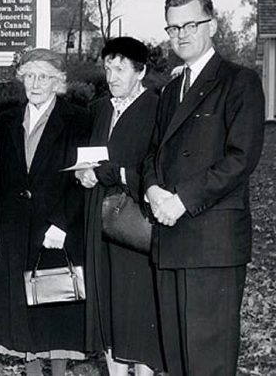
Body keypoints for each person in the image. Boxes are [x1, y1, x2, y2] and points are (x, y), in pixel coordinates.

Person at [143, 0, 265, 375]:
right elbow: (151, 154)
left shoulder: (239, 81)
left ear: (211, 25)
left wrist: (180, 200)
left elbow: (241, 158)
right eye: (173, 27)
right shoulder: (169, 91)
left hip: (212, 242)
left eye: (190, 24)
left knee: (208, 362)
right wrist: (152, 189)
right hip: (170, 238)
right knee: (176, 360)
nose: (181, 34)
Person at [0, 48, 90, 376]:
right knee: (23, 310)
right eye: (29, 76)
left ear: (58, 83)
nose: (36, 83)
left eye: (44, 77)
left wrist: (61, 223)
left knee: (53, 308)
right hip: (15, 228)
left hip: (56, 230)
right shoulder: (9, 120)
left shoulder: (78, 119)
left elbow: (82, 179)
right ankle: (31, 372)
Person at [76, 37, 163, 375]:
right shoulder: (98, 109)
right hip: (98, 220)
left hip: (135, 225)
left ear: (139, 72)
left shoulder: (157, 109)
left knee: (138, 309)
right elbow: (87, 158)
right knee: (106, 306)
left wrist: (115, 174)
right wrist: (83, 174)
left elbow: (159, 169)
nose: (111, 76)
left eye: (120, 68)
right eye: (108, 68)